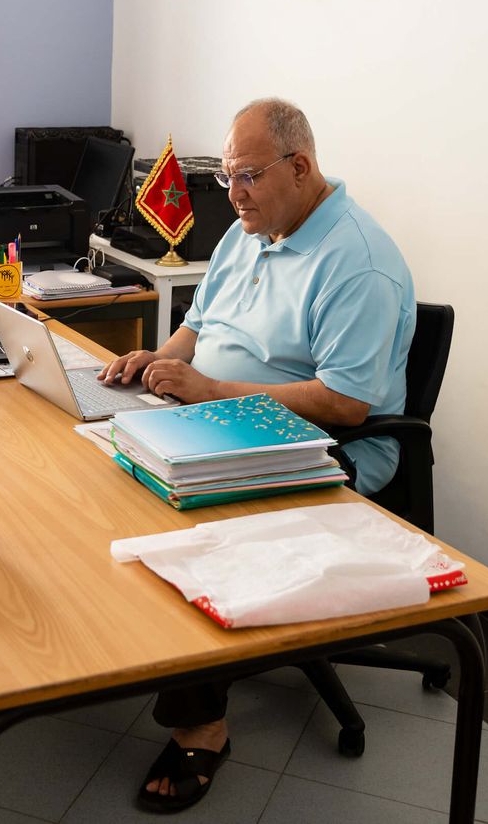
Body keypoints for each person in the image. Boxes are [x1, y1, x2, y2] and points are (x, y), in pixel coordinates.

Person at [97, 97, 415, 813]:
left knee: (189, 526)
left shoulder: (358, 263)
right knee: (108, 462)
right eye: (227, 178)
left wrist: (210, 389)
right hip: (219, 417)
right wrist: (160, 359)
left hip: (322, 446)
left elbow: (346, 403)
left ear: (299, 168)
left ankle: (201, 724)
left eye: (246, 177)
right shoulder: (252, 230)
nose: (233, 195)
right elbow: (199, 323)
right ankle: (121, 644)